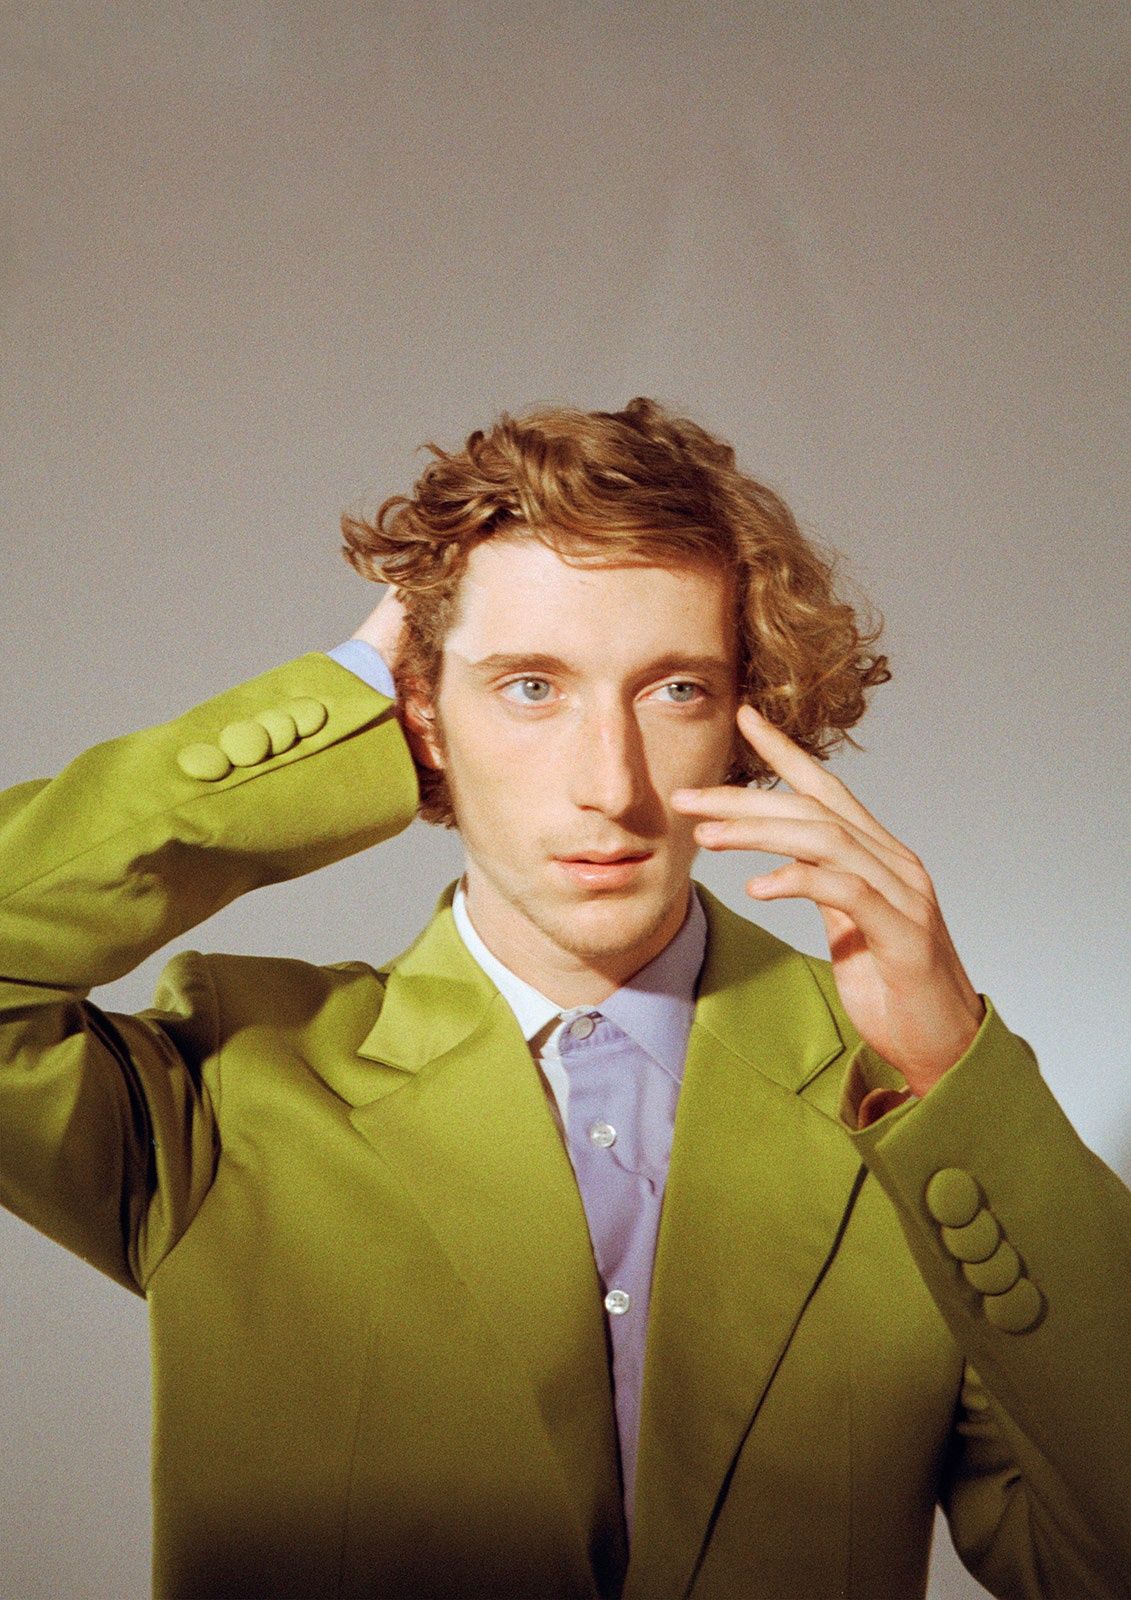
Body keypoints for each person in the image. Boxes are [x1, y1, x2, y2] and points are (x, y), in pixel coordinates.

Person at [1, 397, 1127, 1600]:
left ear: (746, 724)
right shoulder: (230, 1086)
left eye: (675, 690)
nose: (610, 783)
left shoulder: (912, 1114)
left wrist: (955, 1074)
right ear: (424, 715)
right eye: (532, 686)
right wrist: (330, 708)